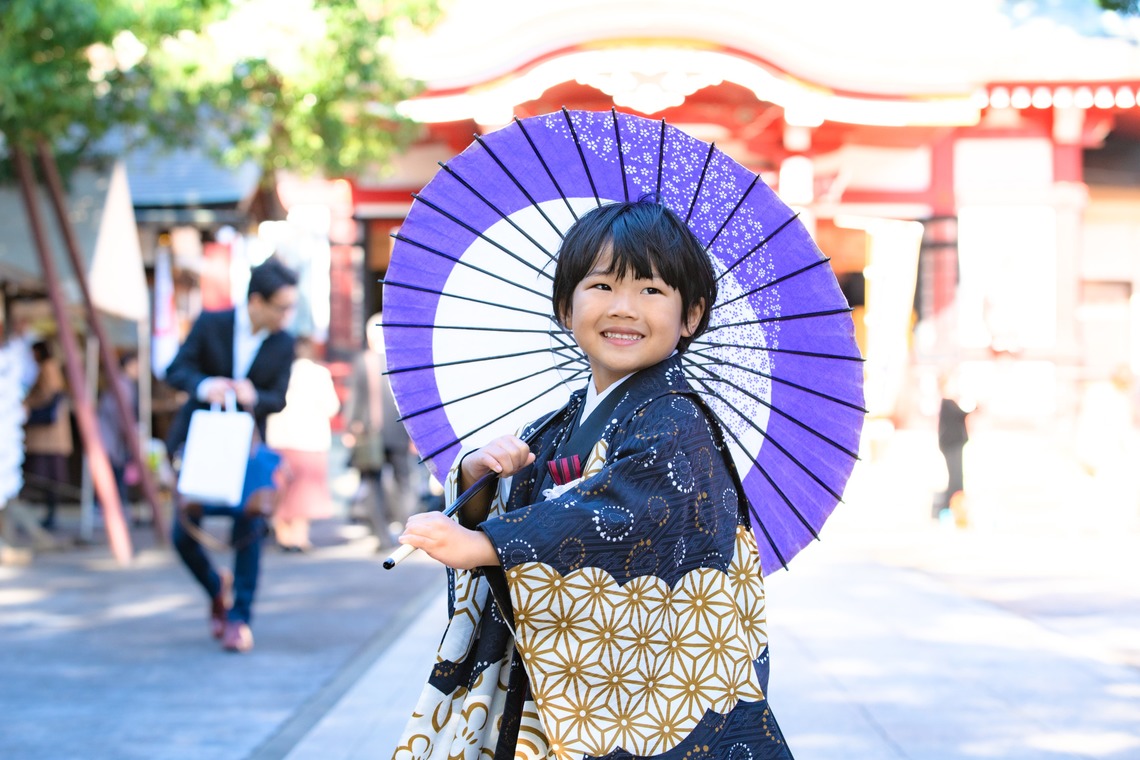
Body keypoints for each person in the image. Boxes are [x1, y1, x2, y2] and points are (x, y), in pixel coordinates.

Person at [393, 200, 795, 759]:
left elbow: (629, 514)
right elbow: (537, 501)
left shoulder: (676, 421)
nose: (624, 309)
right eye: (602, 286)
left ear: (692, 315)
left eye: (652, 291)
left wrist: (486, 543)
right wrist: (479, 478)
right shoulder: (557, 424)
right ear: (566, 306)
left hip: (640, 695)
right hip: (559, 688)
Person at [165, 256, 298, 653]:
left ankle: (239, 618)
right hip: (201, 442)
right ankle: (215, 587)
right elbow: (176, 369)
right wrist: (205, 385)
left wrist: (254, 396)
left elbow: (279, 398)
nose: (287, 316)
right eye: (282, 307)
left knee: (250, 527)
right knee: (183, 531)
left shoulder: (283, 342)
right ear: (256, 301)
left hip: (249, 450)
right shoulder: (211, 323)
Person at [342, 313, 414, 549]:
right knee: (401, 481)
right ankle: (407, 534)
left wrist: (351, 427)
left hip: (376, 432)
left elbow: (355, 398)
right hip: (392, 431)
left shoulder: (369, 360)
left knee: (378, 484)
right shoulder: (398, 360)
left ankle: (385, 536)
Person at [265, 336, 340, 552]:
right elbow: (331, 407)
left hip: (280, 436)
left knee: (281, 488)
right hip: (310, 438)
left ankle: (283, 535)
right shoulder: (319, 374)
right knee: (303, 492)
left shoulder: (277, 371)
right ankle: (300, 537)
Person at [22, 341, 72, 531]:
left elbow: (48, 395)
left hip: (48, 435)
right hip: (49, 435)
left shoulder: (48, 368)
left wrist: (27, 404)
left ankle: (50, 515)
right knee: (48, 477)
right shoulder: (48, 367)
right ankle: (49, 514)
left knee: (47, 477)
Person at [96, 350, 140, 523]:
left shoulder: (123, 384)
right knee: (114, 476)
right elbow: (119, 414)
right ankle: (111, 513)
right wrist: (130, 432)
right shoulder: (123, 385)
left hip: (112, 437)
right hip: (111, 437)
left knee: (115, 475)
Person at [935, 370, 972, 525]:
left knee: (957, 477)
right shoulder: (947, 402)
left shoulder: (949, 402)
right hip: (952, 445)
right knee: (955, 478)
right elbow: (961, 415)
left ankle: (952, 508)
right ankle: (946, 508)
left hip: (953, 444)